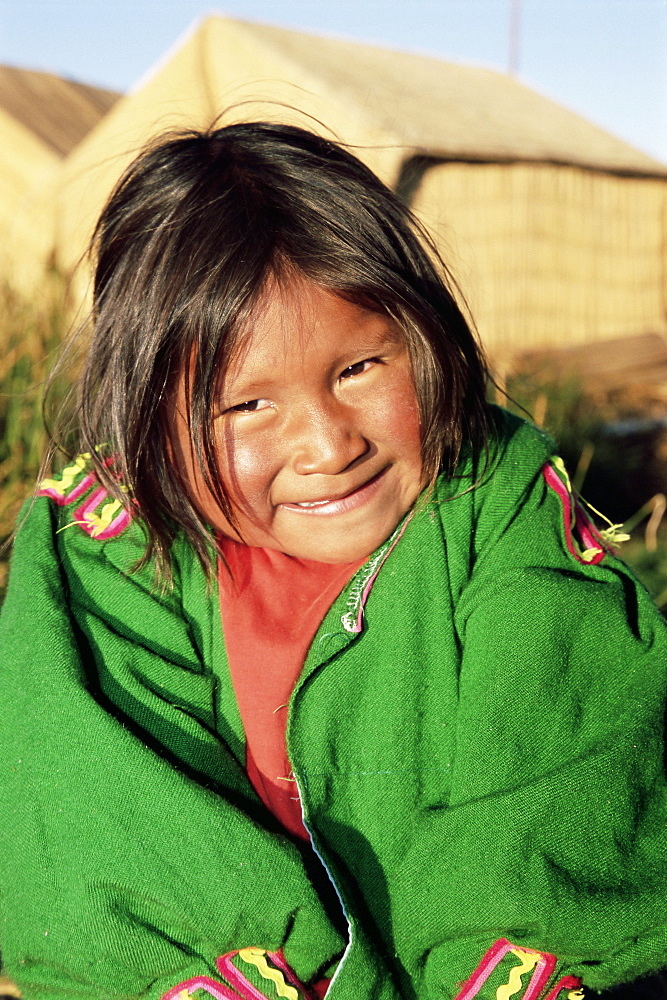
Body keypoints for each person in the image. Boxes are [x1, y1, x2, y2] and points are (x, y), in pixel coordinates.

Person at [1, 122, 666, 1000]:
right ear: (146, 415)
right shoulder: (108, 550)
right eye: (243, 406)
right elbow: (96, 825)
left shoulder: (494, 503)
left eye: (357, 367)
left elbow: (566, 777)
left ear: (426, 338)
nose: (326, 444)